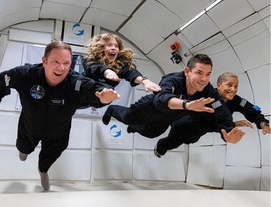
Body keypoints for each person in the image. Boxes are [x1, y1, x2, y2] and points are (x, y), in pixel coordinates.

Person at [0, 40, 120, 191]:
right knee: (24, 148)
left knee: (49, 156)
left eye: (66, 63)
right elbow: (0, 82)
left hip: (58, 133)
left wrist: (104, 97)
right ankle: (25, 150)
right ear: (44, 61)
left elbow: (94, 88)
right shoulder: (27, 75)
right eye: (56, 61)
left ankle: (43, 171)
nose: (61, 68)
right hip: (30, 126)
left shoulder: (74, 83)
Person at [102, 54, 245, 157]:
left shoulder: (208, 91)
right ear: (187, 72)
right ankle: (112, 109)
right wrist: (187, 105)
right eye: (199, 73)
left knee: (150, 134)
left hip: (167, 119)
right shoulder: (172, 80)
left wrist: (228, 133)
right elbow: (161, 98)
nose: (204, 79)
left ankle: (133, 128)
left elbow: (221, 111)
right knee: (127, 117)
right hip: (149, 108)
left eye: (208, 74)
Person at [153, 71, 270, 158]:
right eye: (229, 85)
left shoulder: (237, 100)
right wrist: (230, 127)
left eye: (236, 86)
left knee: (192, 140)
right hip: (184, 126)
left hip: (199, 132)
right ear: (219, 86)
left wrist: (263, 124)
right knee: (170, 143)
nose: (233, 89)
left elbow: (252, 109)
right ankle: (160, 147)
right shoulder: (207, 95)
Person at [82, 33, 161, 92]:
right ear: (101, 48)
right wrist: (108, 71)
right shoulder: (90, 59)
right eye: (109, 45)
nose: (113, 48)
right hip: (81, 91)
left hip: (98, 98)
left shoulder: (119, 65)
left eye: (116, 46)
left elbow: (131, 73)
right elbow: (94, 68)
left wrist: (145, 81)